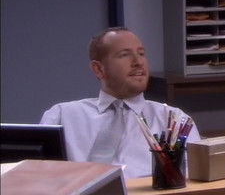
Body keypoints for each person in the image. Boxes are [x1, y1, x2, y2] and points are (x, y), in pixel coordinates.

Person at [40, 27, 200, 178]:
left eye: (141, 53)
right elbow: (40, 181)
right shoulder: (62, 117)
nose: (138, 62)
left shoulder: (175, 120)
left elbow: (194, 182)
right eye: (124, 55)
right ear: (98, 69)